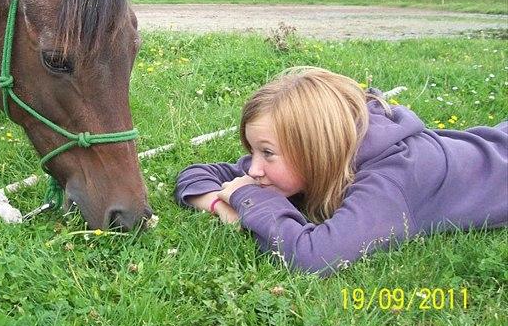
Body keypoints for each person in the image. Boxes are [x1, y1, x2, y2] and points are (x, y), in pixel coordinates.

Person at [174, 67, 507, 276]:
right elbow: (195, 175)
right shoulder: (314, 156)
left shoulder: (391, 177)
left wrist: (246, 197)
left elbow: (315, 257)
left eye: (267, 153)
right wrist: (222, 207)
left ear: (317, 148)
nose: (254, 168)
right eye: (253, 151)